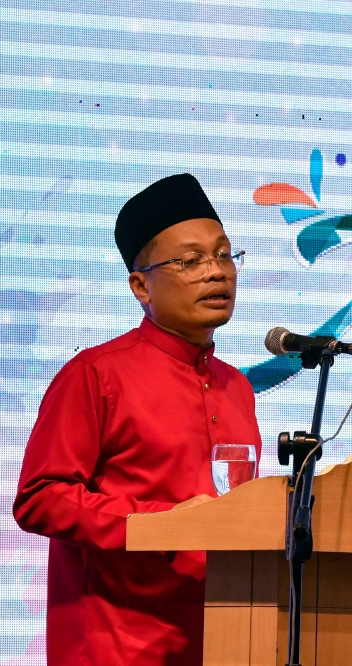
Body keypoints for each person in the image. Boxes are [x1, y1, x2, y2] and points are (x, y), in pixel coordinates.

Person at [13, 173, 263, 665]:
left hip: (221, 638)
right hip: (117, 642)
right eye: (191, 261)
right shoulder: (96, 375)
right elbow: (40, 499)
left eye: (224, 255)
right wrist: (159, 524)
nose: (216, 273)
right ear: (140, 286)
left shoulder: (237, 386)